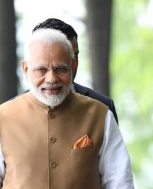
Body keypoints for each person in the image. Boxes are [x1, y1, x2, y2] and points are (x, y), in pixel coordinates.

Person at [0, 28, 134, 188]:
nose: (51, 79)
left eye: (60, 69)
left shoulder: (100, 114)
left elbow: (120, 182)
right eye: (41, 70)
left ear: (73, 65)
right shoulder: (3, 117)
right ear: (26, 69)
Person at [32, 18, 119, 124]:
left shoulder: (103, 107)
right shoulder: (12, 112)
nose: (72, 65)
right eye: (62, 58)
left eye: (75, 56)